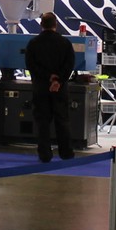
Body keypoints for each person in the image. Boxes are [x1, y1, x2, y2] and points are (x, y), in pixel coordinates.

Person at [24, 12, 77, 162]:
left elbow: (31, 65)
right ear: (56, 24)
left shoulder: (33, 43)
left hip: (41, 88)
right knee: (62, 120)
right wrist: (58, 80)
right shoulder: (65, 43)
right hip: (60, 89)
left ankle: (45, 154)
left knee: (42, 122)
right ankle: (66, 153)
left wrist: (48, 77)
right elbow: (69, 64)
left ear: (41, 25)